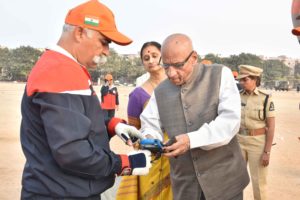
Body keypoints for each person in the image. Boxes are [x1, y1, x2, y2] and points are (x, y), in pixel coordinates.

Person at [20, 1, 152, 199]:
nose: (107, 51)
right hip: (59, 192)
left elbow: (75, 123)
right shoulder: (60, 71)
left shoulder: (66, 67)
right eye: (104, 41)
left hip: (63, 188)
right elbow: (71, 151)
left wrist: (112, 125)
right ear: (80, 33)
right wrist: (124, 163)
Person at [139, 33, 250, 200]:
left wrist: (191, 140)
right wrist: (150, 139)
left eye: (177, 65)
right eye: (166, 65)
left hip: (225, 183)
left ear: (194, 58)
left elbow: (229, 122)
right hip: (185, 186)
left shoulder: (220, 75)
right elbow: (150, 123)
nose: (170, 73)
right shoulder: (160, 91)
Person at [117, 41, 172, 200]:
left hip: (177, 151)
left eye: (155, 56)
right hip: (152, 154)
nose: (151, 61)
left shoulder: (176, 85)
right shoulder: (137, 95)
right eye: (146, 58)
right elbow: (134, 133)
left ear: (164, 56)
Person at [236, 65, 275, 200]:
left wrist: (267, 152)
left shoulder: (265, 99)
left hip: (258, 143)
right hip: (239, 141)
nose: (241, 82)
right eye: (240, 80)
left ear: (255, 80)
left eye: (245, 80)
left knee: (258, 182)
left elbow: (271, 126)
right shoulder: (236, 97)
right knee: (235, 181)